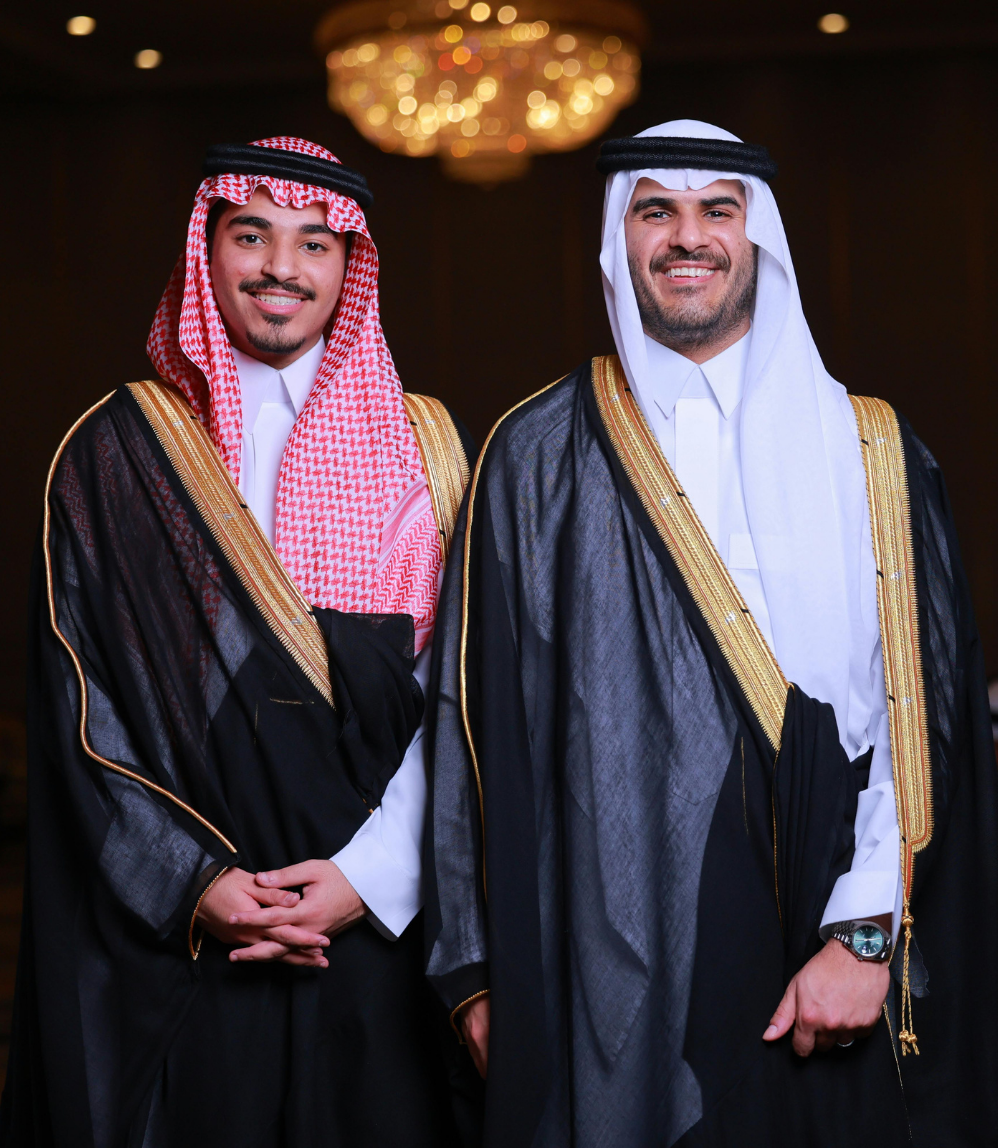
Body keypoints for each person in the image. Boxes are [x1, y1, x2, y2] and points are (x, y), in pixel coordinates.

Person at [425, 119, 998, 1146]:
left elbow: (920, 715)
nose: (687, 236)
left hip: (830, 926)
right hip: (606, 944)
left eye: (715, 210)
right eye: (656, 210)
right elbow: (471, 731)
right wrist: (475, 973)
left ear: (756, 235)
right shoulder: (536, 451)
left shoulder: (870, 448)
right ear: (620, 236)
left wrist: (865, 935)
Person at [0, 137, 479, 1147]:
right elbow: (82, 706)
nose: (281, 268)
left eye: (314, 243)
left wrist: (371, 875)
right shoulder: (118, 450)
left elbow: (464, 693)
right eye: (251, 235)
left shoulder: (427, 447)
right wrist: (196, 884)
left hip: (377, 928)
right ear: (206, 249)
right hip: (188, 937)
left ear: (349, 267)